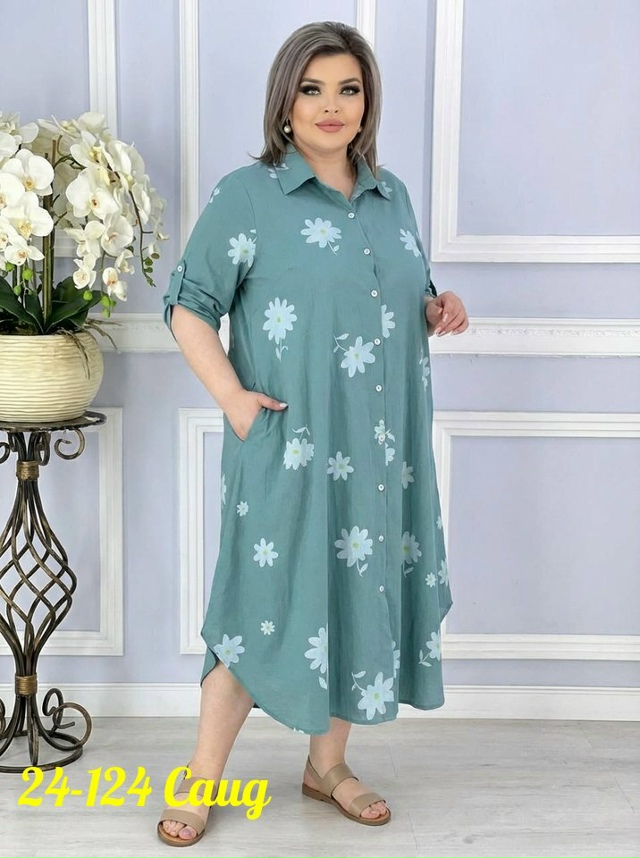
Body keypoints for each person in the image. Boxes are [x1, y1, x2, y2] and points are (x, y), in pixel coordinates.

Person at [158, 20, 469, 846]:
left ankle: (327, 765)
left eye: (349, 89)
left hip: (381, 451)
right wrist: (232, 398)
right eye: (313, 89)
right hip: (287, 445)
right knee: (257, 602)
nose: (332, 106)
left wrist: (438, 307)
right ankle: (201, 777)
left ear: (368, 102)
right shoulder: (248, 196)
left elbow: (394, 298)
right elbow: (188, 305)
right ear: (285, 102)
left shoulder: (391, 195)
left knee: (356, 594)